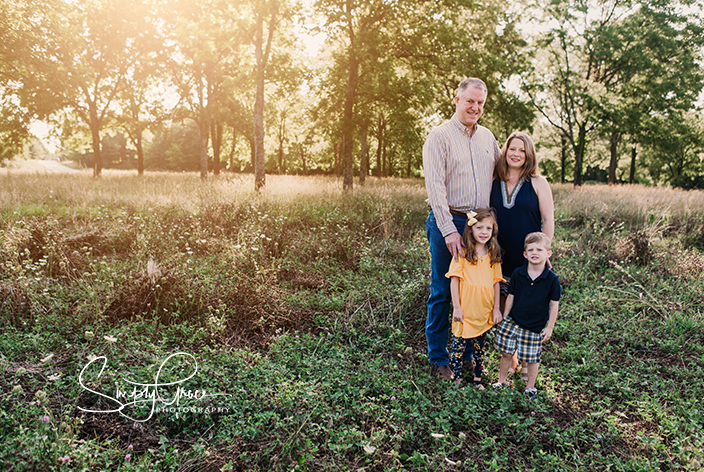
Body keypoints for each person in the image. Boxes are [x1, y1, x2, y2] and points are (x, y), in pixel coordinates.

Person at [423, 77, 501, 381]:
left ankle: (467, 354)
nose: (475, 107)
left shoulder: (488, 138)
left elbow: (504, 172)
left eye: (480, 102)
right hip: (451, 222)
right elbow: (436, 188)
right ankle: (439, 358)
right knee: (444, 291)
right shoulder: (439, 137)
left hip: (480, 228)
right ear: (457, 100)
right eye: (470, 101)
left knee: (474, 291)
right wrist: (448, 229)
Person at [490, 131, 555, 379]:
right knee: (504, 304)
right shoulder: (494, 179)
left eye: (522, 150)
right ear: (505, 151)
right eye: (512, 149)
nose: (516, 154)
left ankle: (528, 360)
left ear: (529, 154)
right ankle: (511, 355)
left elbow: (547, 218)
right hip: (498, 254)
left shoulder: (538, 182)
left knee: (528, 306)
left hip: (529, 256)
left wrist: (544, 251)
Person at [492, 232, 561, 400]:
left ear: (548, 254)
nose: (534, 253)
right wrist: (505, 317)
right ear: (525, 254)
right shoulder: (518, 273)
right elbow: (511, 297)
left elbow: (554, 304)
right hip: (513, 320)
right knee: (506, 353)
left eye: (539, 249)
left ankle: (530, 387)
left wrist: (550, 327)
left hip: (534, 325)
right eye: (530, 250)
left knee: (532, 358)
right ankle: (501, 381)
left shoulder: (552, 279)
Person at [446, 209, 504, 389]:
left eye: (488, 227)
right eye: (479, 227)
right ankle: (457, 380)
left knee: (480, 349)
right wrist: (456, 307)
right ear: (471, 229)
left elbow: (496, 283)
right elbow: (454, 281)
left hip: (483, 310)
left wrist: (496, 309)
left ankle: (478, 380)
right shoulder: (462, 253)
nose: (484, 232)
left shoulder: (493, 254)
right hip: (465, 311)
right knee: (458, 349)